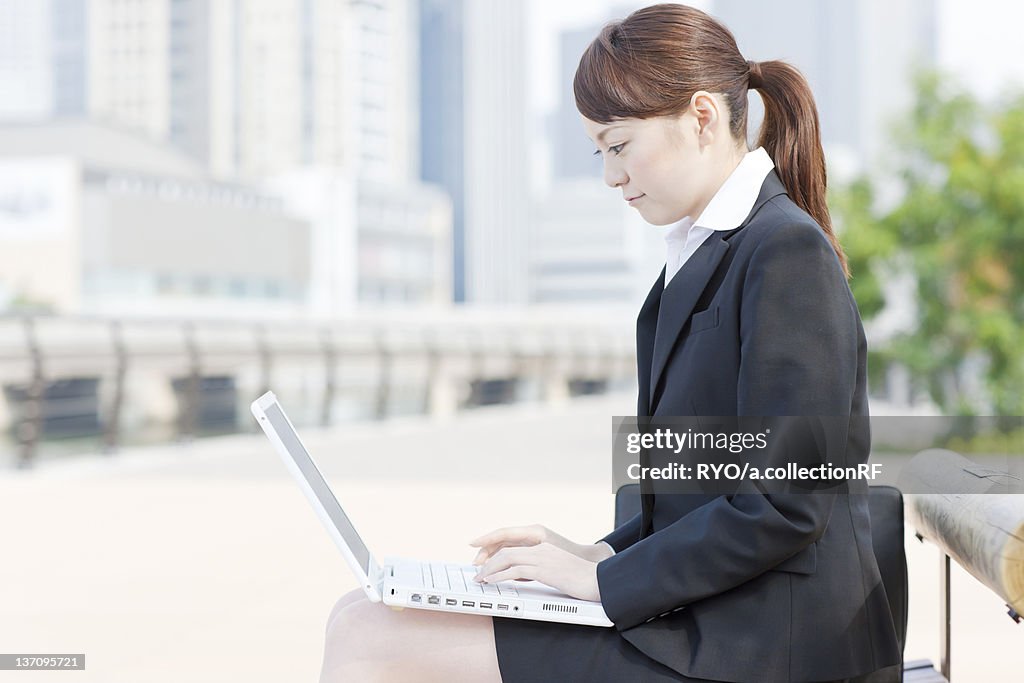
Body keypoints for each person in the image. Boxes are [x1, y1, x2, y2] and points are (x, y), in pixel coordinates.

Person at [320, 4, 901, 682]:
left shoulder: (784, 252)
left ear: (704, 116)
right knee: (358, 613)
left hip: (770, 645)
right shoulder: (710, 253)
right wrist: (597, 554)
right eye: (600, 152)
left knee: (371, 634)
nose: (610, 176)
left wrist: (603, 582)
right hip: (716, 621)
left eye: (619, 144)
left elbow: (782, 502)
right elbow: (700, 491)